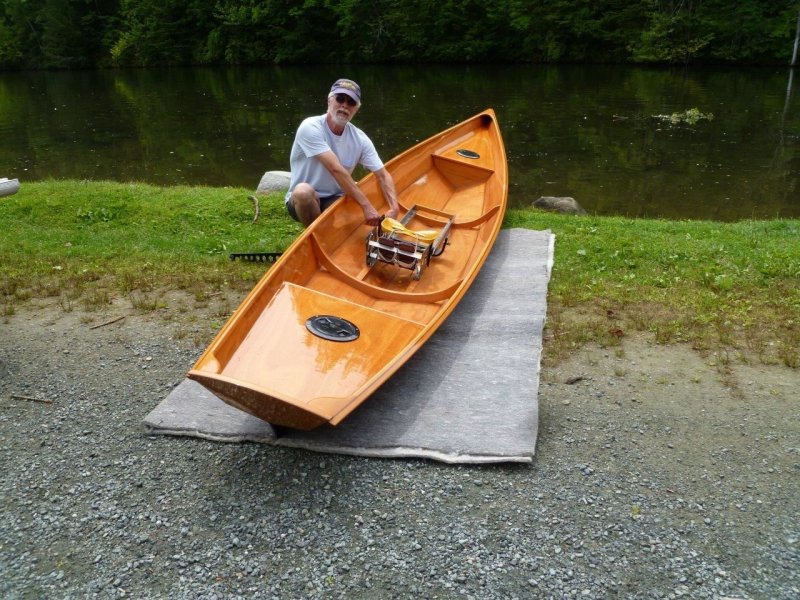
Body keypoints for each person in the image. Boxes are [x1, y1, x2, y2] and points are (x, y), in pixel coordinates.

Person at [284, 78, 399, 227]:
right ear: (329, 101)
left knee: (366, 195)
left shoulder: (360, 138)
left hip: (336, 198)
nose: (344, 105)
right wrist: (366, 206)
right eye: (340, 99)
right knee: (302, 192)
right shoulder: (310, 127)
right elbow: (335, 169)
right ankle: (317, 236)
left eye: (351, 102)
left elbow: (383, 175)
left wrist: (394, 207)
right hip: (304, 201)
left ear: (356, 109)